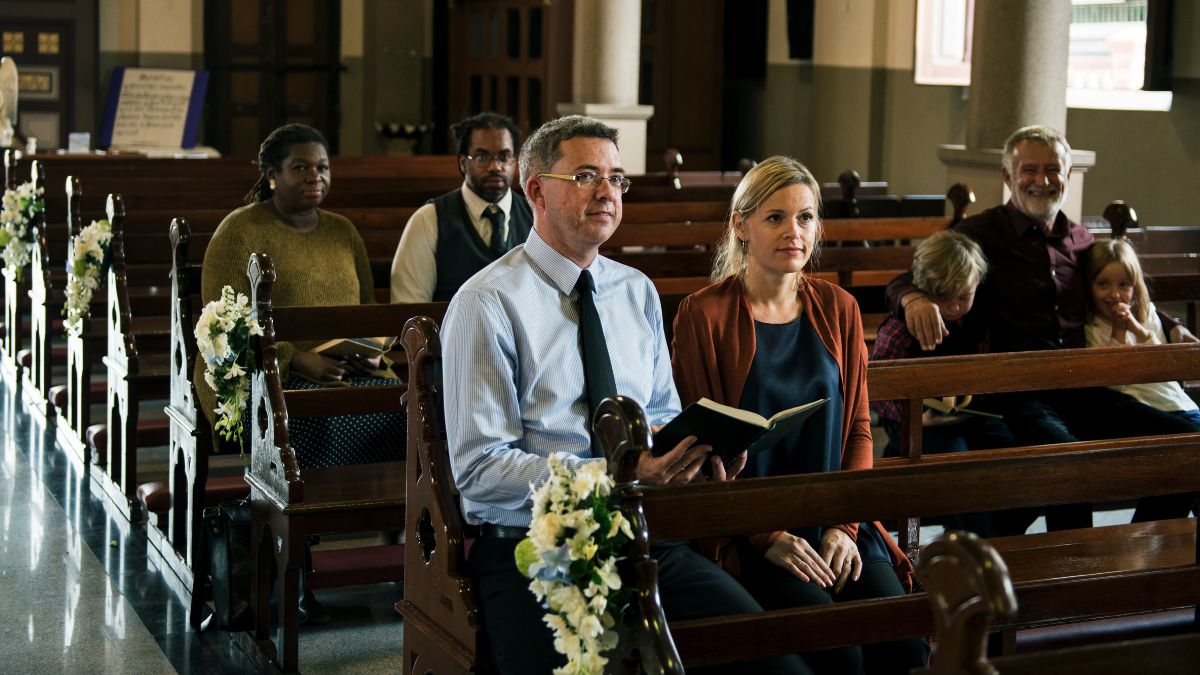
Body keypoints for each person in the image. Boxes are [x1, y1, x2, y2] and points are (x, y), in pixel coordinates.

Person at [443, 116, 810, 675]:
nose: (607, 193)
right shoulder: (488, 302)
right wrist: (616, 473)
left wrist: (695, 454)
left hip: (645, 540)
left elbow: (660, 414)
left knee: (775, 663)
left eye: (616, 179)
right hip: (536, 548)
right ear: (536, 189)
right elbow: (480, 468)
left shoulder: (634, 291)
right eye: (586, 176)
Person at [671, 156, 930, 674]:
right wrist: (765, 537)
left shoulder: (839, 307)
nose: (794, 231)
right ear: (741, 226)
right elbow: (702, 451)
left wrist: (845, 526)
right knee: (839, 651)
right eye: (775, 217)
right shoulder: (704, 314)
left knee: (903, 638)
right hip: (755, 528)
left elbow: (859, 429)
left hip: (836, 516)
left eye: (806, 217)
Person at [887, 125, 1200, 532]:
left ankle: (1139, 549)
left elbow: (1120, 293)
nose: (1042, 180)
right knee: (1069, 466)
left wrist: (1173, 327)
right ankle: (1071, 578)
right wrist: (914, 299)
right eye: (1029, 170)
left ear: (1067, 176)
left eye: (1052, 169)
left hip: (1082, 386)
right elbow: (906, 279)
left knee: (1187, 446)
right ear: (1007, 177)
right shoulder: (980, 234)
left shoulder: (1081, 239)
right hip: (1018, 393)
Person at [198, 123, 404, 471]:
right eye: (300, 167)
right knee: (320, 421)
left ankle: (386, 512)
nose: (315, 176)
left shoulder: (343, 232)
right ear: (272, 175)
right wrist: (295, 358)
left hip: (343, 372)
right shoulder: (239, 232)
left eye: (322, 167)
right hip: (260, 375)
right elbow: (222, 329)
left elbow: (367, 311)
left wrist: (369, 349)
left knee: (404, 408)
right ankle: (302, 517)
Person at [390, 112, 532, 302]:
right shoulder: (429, 219)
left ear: (515, 162)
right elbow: (409, 310)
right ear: (463, 163)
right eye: (482, 157)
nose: (495, 167)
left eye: (504, 156)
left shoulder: (536, 215)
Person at [1084, 238, 1200, 428]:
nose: (1115, 294)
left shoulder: (1147, 313)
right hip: (1145, 409)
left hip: (1178, 403)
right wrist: (1119, 332)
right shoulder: (1093, 329)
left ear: (1134, 286)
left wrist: (1137, 328)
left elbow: (1161, 365)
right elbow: (1115, 384)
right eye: (1103, 284)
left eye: (1123, 285)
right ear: (1089, 286)